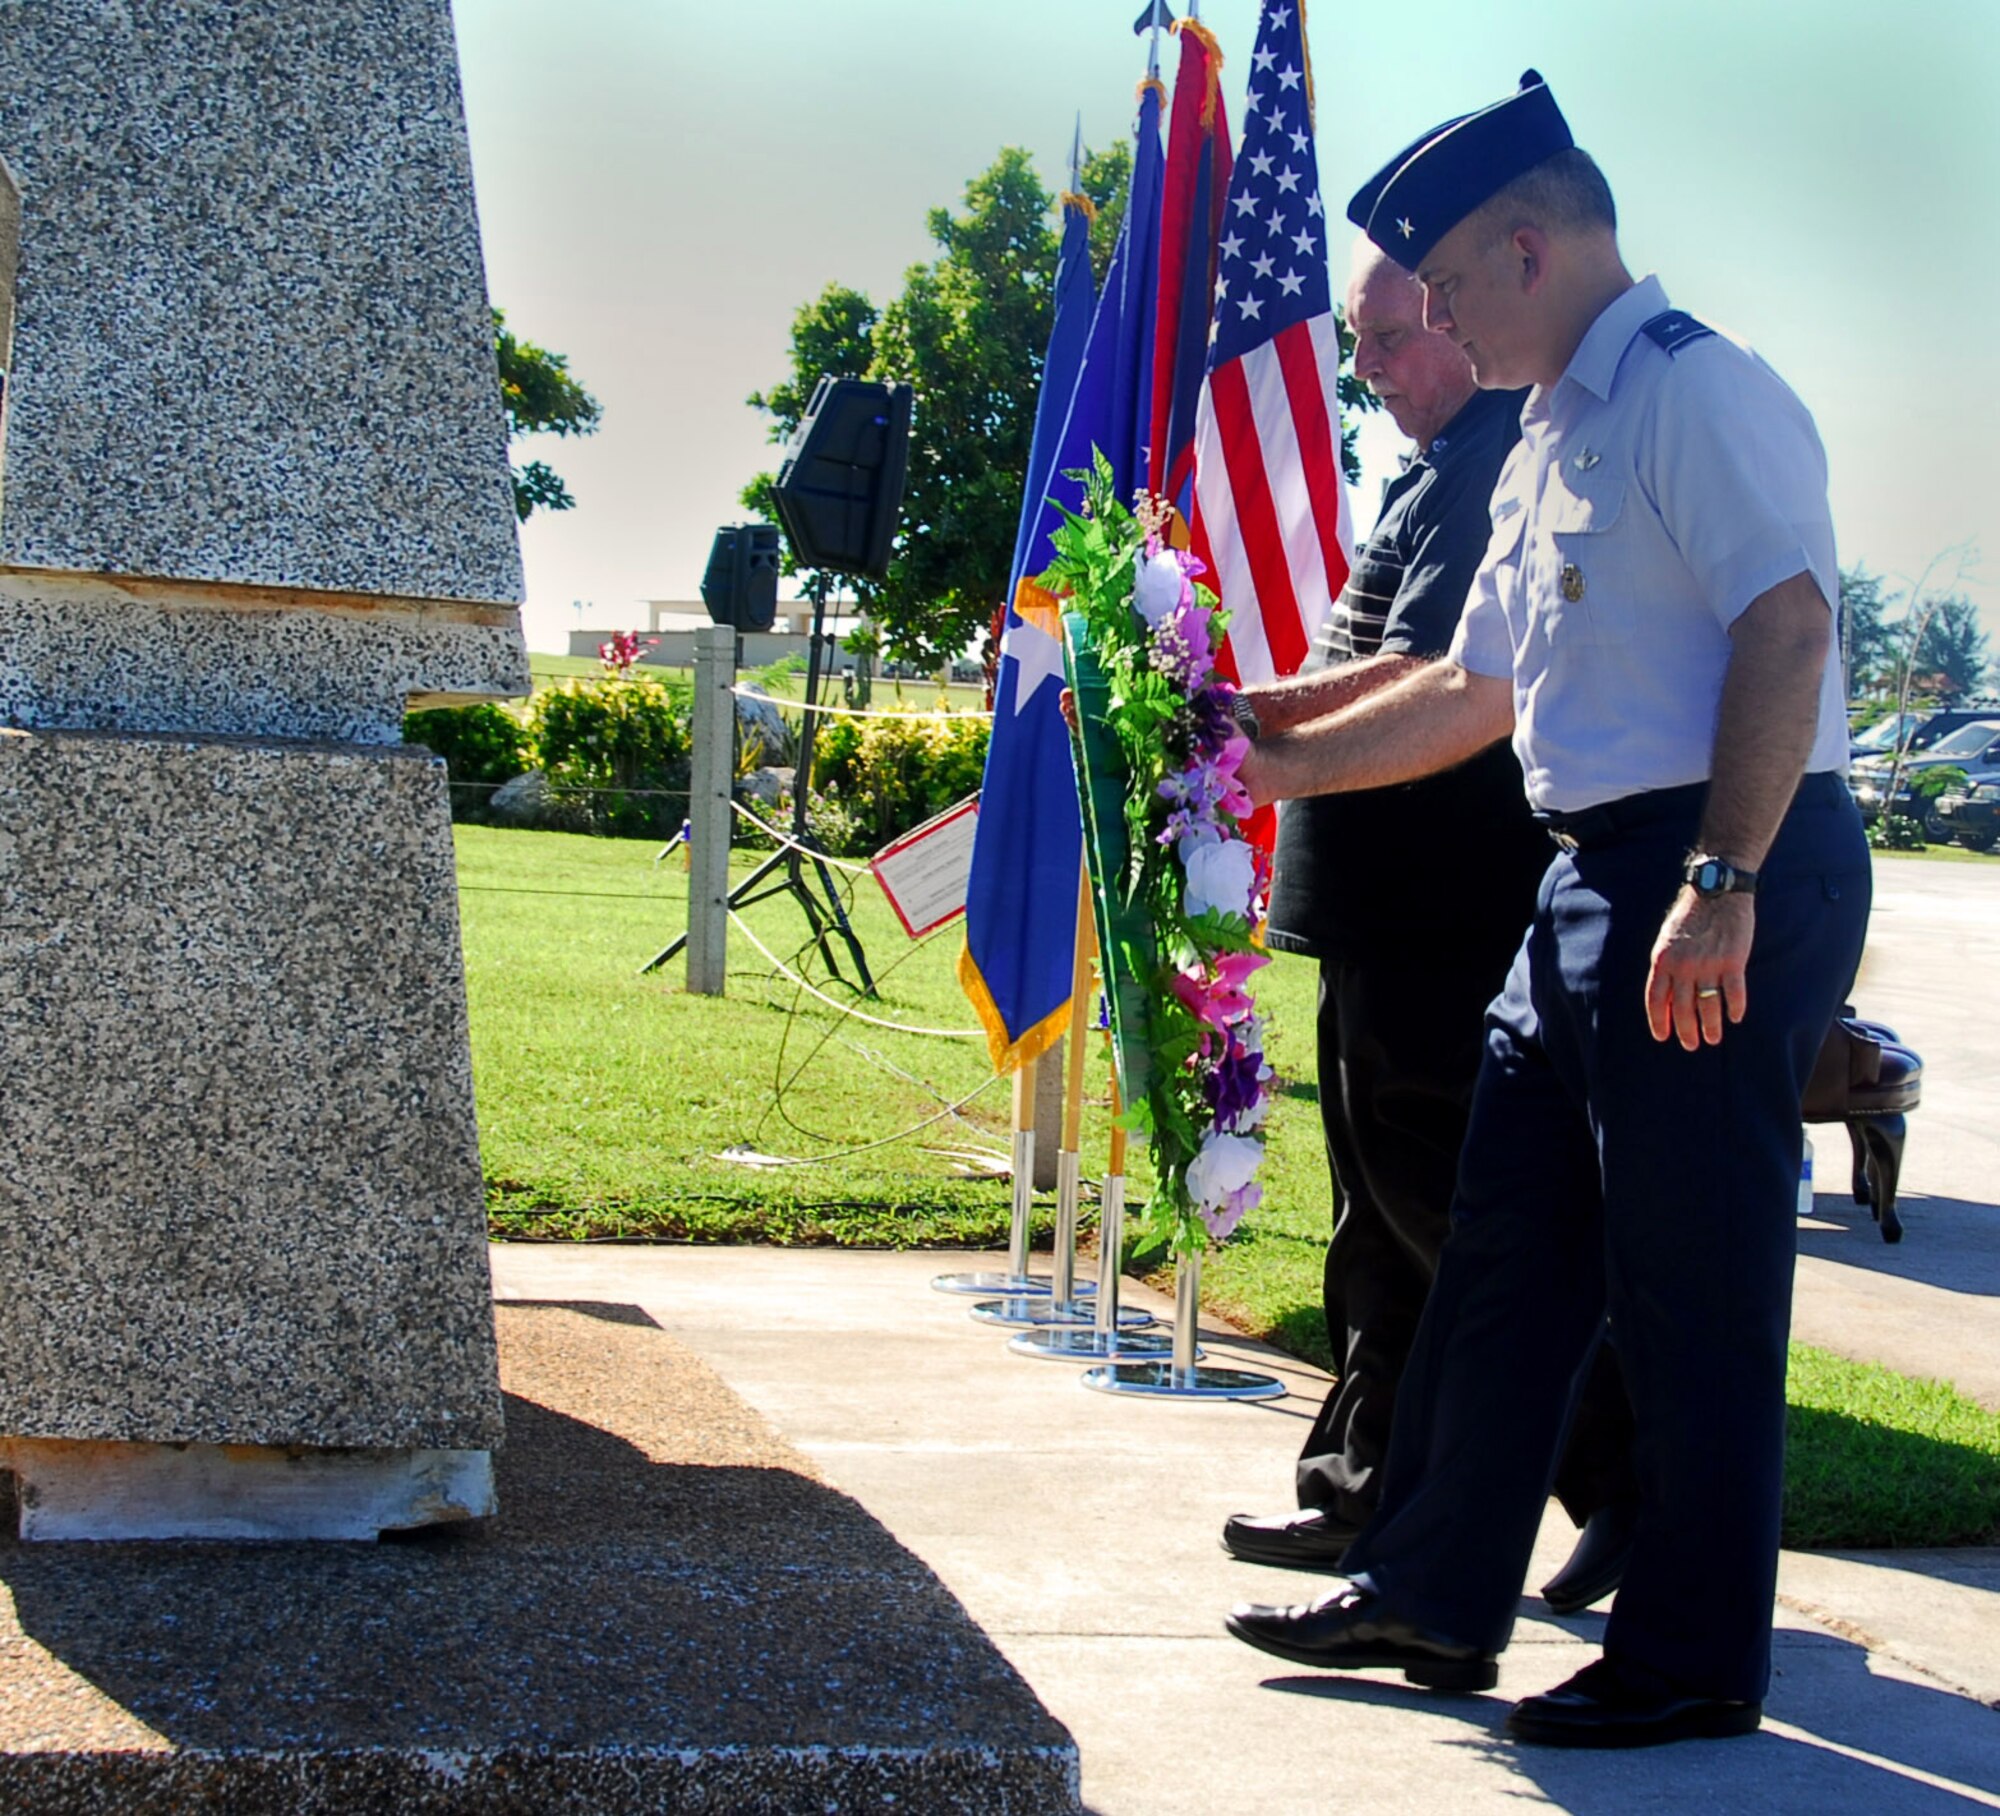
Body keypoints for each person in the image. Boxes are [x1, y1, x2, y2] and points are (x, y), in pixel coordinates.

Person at [1221, 72, 1870, 1748]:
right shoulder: (1561, 431)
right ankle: (1435, 1595)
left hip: (1722, 865)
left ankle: (1696, 1654)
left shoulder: (1693, 392)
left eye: (1439, 290)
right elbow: (1465, 685)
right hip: (1589, 878)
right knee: (1504, 1245)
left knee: (1692, 1272)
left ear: (1527, 249)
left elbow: (1788, 633)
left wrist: (1721, 880)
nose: (1428, 320)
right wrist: (1251, 747)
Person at [1219, 237, 1636, 1618]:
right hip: (1378, 915)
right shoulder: (1438, 467)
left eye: (1396, 337)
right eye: (1364, 345)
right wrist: (1254, 713)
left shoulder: (1487, 469)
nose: (1374, 368)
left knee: (1454, 1219)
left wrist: (1240, 719)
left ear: (1457, 325)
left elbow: (1426, 679)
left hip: (1447, 914)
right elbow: (1364, 662)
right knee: (1379, 1225)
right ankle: (1359, 1492)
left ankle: (1627, 1480)